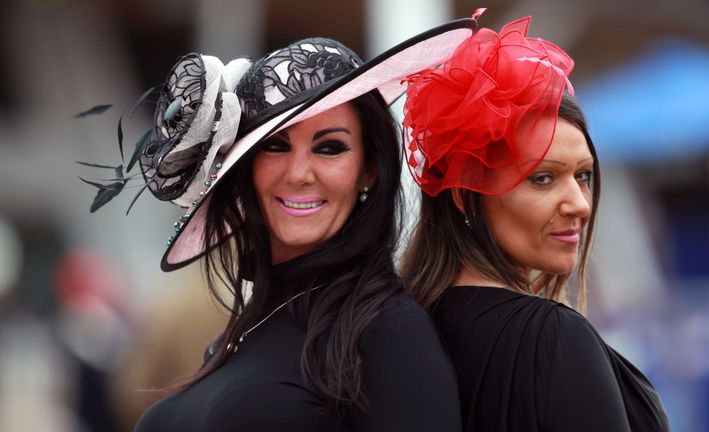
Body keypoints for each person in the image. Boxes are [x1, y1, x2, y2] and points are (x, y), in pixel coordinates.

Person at [81, 18, 478, 431]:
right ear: (246, 170)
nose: (299, 173)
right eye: (275, 145)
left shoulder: (389, 330)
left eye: (329, 148)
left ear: (369, 170)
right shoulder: (246, 327)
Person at [400, 16, 671, 431]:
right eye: (542, 178)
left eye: (583, 175)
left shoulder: (398, 330)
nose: (579, 204)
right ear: (464, 195)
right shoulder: (552, 337)